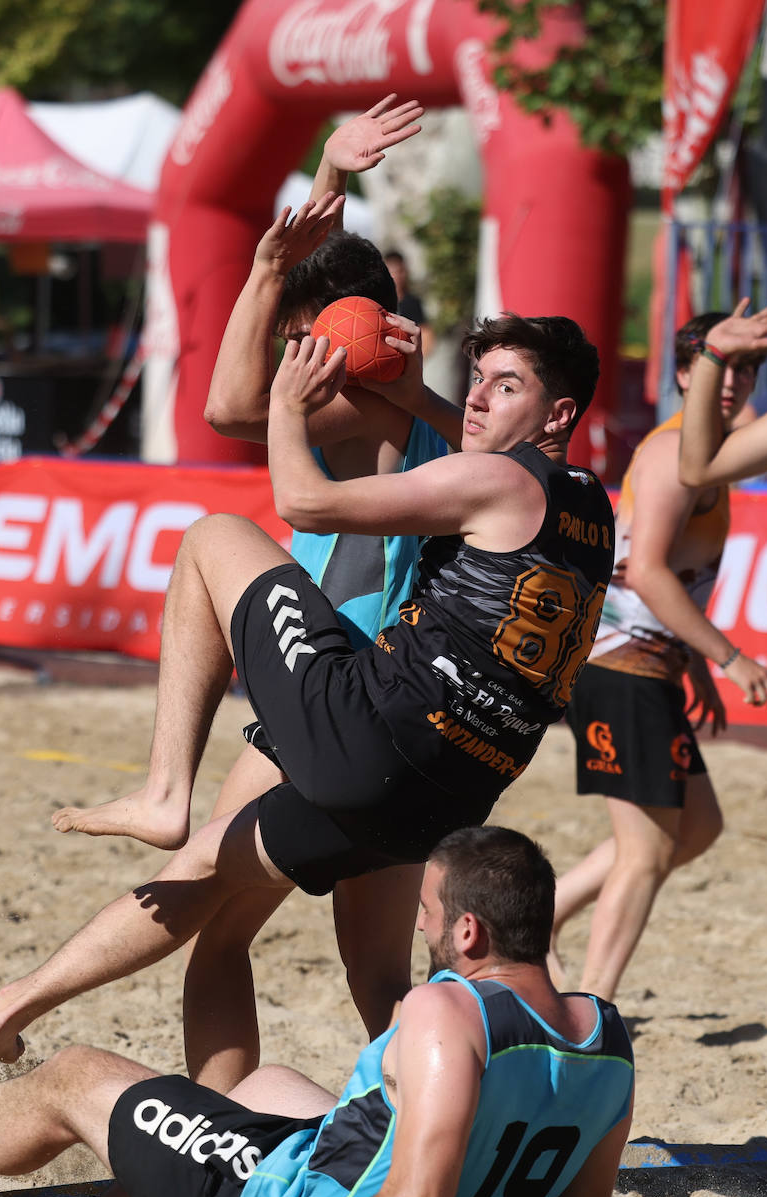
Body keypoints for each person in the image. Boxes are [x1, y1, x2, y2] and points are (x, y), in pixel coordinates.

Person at [0, 294, 612, 1066]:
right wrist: (419, 397)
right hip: (448, 792)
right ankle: (451, 1110)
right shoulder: (592, 506)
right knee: (349, 959)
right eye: (475, 378)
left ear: (556, 413)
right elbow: (491, 455)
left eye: (504, 385)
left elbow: (301, 500)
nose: (475, 396)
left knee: (214, 537)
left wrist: (286, 403)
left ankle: (163, 790)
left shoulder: (497, 484)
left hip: (365, 728)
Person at [0, 826, 634, 1197]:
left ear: (467, 934)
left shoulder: (446, 1011)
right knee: (264, 1089)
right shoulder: (604, 1034)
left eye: (425, 915)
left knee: (77, 1075)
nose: (419, 928)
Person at [183, 96, 453, 1087]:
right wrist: (331, 184)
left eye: (297, 327)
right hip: (406, 709)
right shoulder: (434, 416)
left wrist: (265, 266)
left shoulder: (352, 406)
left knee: (212, 932)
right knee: (379, 973)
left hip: (323, 690)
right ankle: (440, 1118)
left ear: (324, 330)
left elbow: (221, 407)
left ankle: (215, 1125)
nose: (283, 347)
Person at [551, 311, 767, 1001]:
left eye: (748, 370)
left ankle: (546, 915)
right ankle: (592, 1005)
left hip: (650, 665)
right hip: (614, 666)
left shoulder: (713, 452)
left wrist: (689, 663)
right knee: (648, 848)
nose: (734, 382)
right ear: (685, 373)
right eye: (722, 365)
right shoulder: (670, 453)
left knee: (698, 826)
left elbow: (669, 577)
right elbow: (647, 572)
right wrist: (730, 657)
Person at [679, 296, 767, 486]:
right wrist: (714, 353)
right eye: (724, 368)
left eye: (741, 370)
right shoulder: (667, 449)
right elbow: (697, 471)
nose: (728, 383)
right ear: (682, 375)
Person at [383, 248, 434, 356]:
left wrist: (414, 361)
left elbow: (426, 335)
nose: (396, 276)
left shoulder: (413, 303)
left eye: (400, 271)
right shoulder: (377, 303)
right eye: (392, 272)